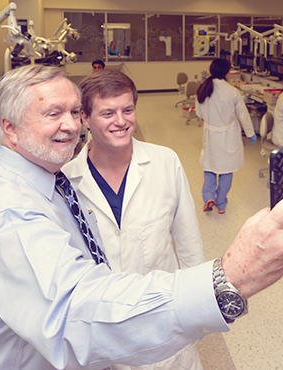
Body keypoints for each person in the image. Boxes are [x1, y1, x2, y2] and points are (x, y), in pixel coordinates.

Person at [0, 65, 283, 370]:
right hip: (101, 337)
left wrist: (198, 323)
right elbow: (75, 314)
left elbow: (188, 244)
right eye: (53, 114)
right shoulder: (10, 209)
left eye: (72, 112)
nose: (69, 125)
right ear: (9, 128)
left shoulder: (52, 183)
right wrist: (232, 276)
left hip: (151, 328)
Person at [63, 70, 206, 370]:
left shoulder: (165, 162)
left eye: (128, 110)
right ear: (85, 119)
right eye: (108, 113)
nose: (121, 121)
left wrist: (197, 311)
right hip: (102, 335)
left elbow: (189, 243)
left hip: (164, 327)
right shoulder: (66, 183)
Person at [195, 58, 257, 214]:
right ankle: (221, 202)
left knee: (209, 167)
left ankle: (208, 197)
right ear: (228, 73)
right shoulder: (232, 92)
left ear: (211, 71)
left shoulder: (203, 89)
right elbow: (243, 115)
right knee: (226, 169)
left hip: (210, 135)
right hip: (228, 136)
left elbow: (199, 113)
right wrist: (250, 133)